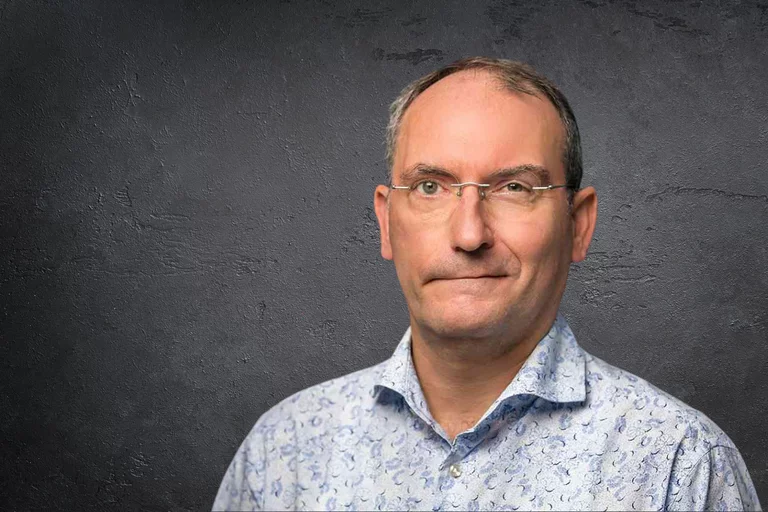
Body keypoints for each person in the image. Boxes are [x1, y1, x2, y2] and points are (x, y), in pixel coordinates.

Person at [212, 57, 761, 511]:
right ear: (385, 222)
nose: (469, 234)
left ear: (578, 225)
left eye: (514, 188)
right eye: (431, 187)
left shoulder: (681, 465)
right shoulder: (281, 454)